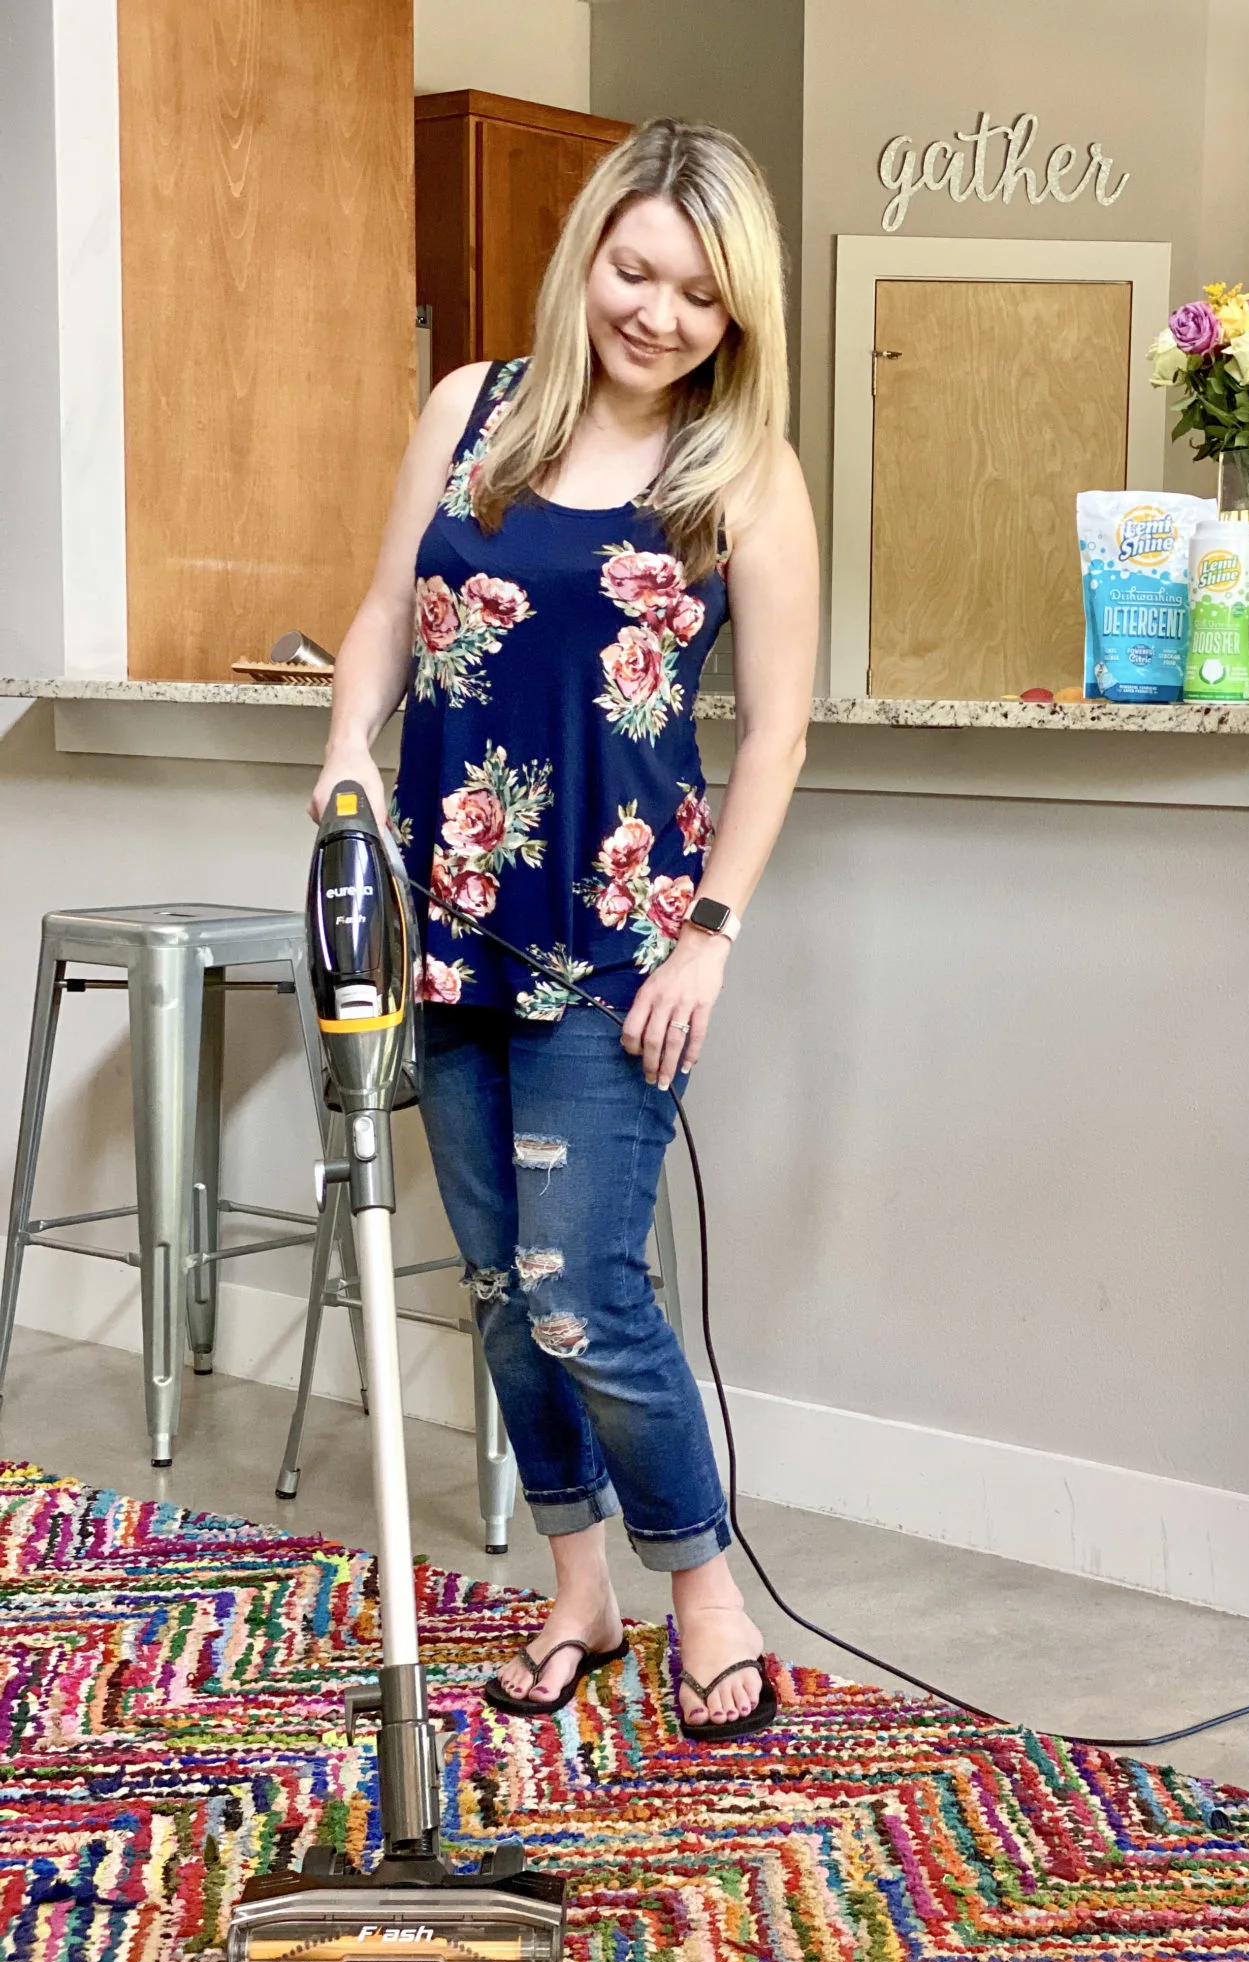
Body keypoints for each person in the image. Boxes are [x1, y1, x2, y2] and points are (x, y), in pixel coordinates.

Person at [311, 119, 818, 1736]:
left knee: (580, 1283)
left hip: (622, 949)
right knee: (495, 1285)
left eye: (700, 294)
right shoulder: (473, 410)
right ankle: (578, 1590)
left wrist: (711, 935)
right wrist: (347, 750)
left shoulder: (743, 471)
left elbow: (778, 734)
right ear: (587, 254)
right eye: (635, 270)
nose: (658, 314)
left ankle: (705, 1591)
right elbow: (386, 613)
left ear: (739, 314)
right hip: (448, 921)